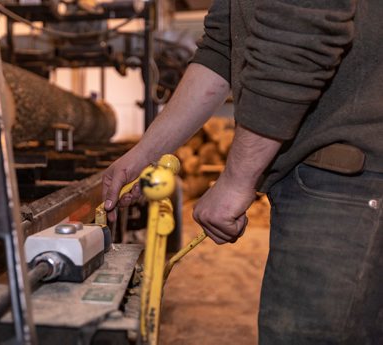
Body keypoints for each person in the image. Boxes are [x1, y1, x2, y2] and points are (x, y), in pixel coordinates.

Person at [102, 0, 383, 343]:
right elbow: (223, 46)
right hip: (323, 172)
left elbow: (299, 32)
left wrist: (236, 180)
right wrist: (143, 154)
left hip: (353, 177)